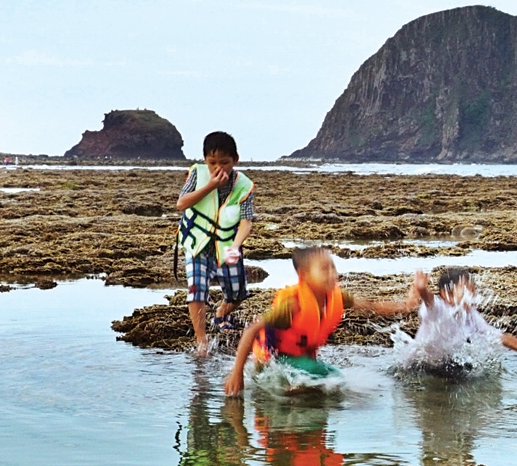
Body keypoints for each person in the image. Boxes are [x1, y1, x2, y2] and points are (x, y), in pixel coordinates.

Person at [224, 246, 419, 396]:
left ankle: (298, 393)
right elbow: (251, 330)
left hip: (300, 362)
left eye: (333, 267)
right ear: (304, 275)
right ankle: (287, 396)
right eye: (324, 269)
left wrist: (407, 304)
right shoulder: (293, 305)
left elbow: (371, 306)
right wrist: (237, 373)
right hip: (273, 364)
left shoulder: (335, 297)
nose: (332, 274)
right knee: (327, 380)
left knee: (331, 379)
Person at [176, 131, 254, 355]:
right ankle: (202, 342)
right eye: (212, 163)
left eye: (224, 162)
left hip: (226, 247)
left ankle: (220, 315)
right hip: (198, 245)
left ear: (235, 160)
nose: (218, 167)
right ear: (204, 160)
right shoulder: (197, 175)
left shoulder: (244, 186)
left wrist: (236, 246)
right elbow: (181, 204)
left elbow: (246, 222)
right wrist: (210, 185)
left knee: (237, 294)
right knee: (197, 290)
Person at [409, 267, 517, 371]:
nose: (472, 295)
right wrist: (422, 289)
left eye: (473, 290)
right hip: (419, 366)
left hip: (445, 364)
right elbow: (429, 300)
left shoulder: (470, 315)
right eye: (466, 290)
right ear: (445, 293)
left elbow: (501, 337)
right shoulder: (438, 308)